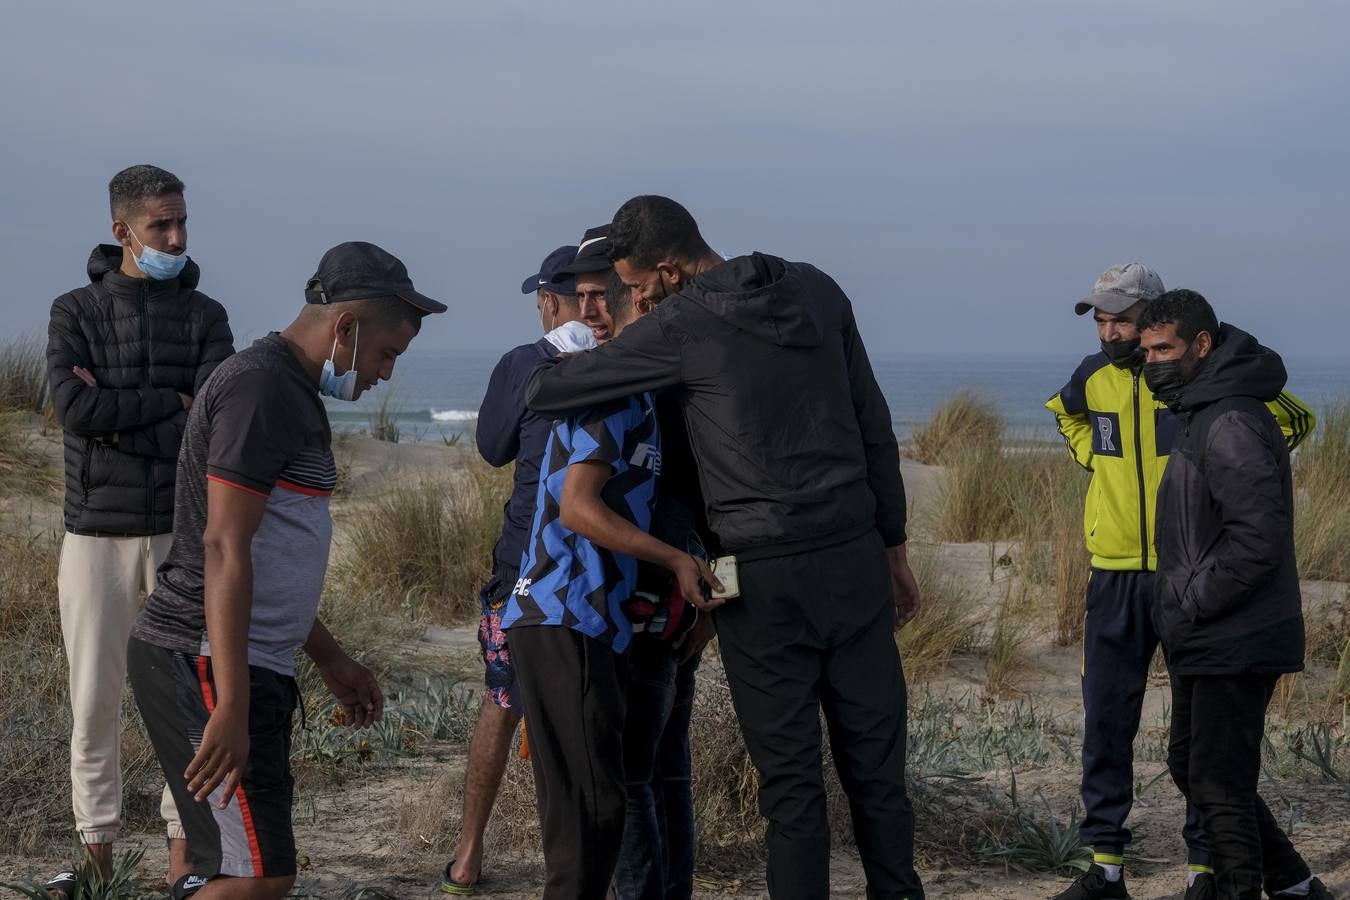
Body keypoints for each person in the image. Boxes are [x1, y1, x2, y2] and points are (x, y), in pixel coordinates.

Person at [527, 195, 925, 900]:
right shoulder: (819, 288)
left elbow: (549, 393)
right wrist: (893, 549)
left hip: (761, 577)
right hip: (855, 557)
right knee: (877, 776)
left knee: (793, 789)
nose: (636, 300)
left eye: (640, 287)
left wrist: (567, 346)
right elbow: (873, 423)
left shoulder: (683, 323)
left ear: (672, 271)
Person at [127, 242, 445, 899]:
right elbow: (222, 546)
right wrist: (233, 701)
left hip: (237, 661)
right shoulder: (262, 386)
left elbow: (271, 557)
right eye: (388, 354)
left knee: (233, 868)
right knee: (259, 878)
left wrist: (329, 657)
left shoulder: (288, 390)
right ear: (346, 328)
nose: (385, 374)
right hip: (205, 657)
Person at [1045, 266, 1316, 900]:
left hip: (1194, 579)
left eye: (1124, 319)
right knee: (1109, 719)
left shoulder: (1207, 391)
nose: (1114, 332)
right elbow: (1066, 417)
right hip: (1115, 570)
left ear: (1156, 316)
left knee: (1204, 751)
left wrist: (1216, 467)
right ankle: (1105, 863)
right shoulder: (1094, 376)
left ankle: (1206, 870)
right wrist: (1098, 460)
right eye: (1102, 321)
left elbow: (1294, 422)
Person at [502, 244, 718, 900]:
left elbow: (725, 509)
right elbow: (573, 506)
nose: (589, 310)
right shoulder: (607, 386)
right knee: (605, 806)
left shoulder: (665, 392)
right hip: (585, 615)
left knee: (630, 795)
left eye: (603, 296)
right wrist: (681, 564)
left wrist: (713, 600)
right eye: (583, 296)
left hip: (643, 620)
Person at [44, 164, 234, 896]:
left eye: (182, 222)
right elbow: (74, 411)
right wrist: (170, 403)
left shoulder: (207, 316)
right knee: (94, 699)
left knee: (190, 700)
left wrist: (126, 414)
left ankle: (185, 864)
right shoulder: (74, 312)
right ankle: (96, 863)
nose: (177, 237)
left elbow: (212, 427)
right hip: (94, 534)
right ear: (123, 231)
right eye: (162, 226)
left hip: (181, 533)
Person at [1140, 289, 1333, 900]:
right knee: (1195, 769)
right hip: (1208, 632)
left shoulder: (1230, 420)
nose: (1153, 363)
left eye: (1164, 348)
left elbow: (1259, 539)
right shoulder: (1202, 409)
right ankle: (1298, 887)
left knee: (1219, 784)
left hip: (1236, 632)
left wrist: (1193, 600)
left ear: (1202, 344)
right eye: (1146, 352)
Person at [438, 245, 597, 895]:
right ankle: (593, 871)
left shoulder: (526, 362)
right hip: (598, 573)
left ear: (550, 302)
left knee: (501, 706)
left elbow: (492, 445)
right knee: (588, 726)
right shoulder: (629, 359)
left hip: (525, 568)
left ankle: (469, 855)